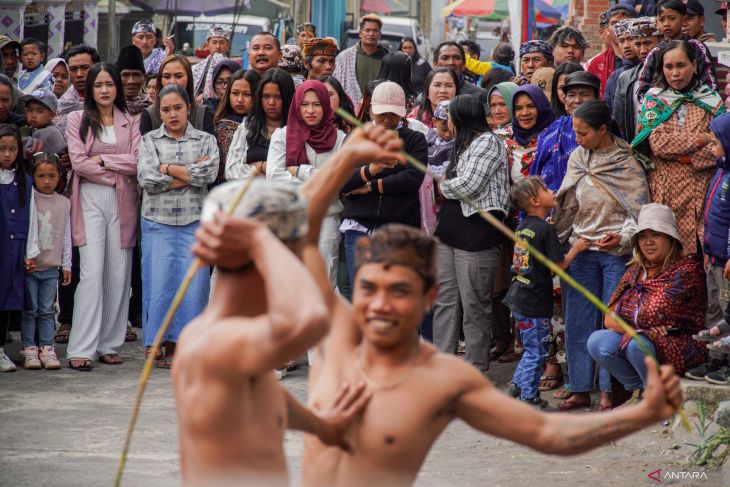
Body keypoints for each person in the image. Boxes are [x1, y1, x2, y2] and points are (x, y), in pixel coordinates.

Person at [185, 122, 686, 487]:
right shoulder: (339, 336)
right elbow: (300, 232)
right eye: (371, 290)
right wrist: (345, 157)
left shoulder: (444, 381)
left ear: (427, 296)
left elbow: (550, 435)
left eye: (399, 291)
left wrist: (640, 416)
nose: (381, 305)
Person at [179, 177, 369, 486]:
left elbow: (260, 395)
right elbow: (312, 317)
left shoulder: (233, 335)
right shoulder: (219, 342)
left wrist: (320, 426)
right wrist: (262, 239)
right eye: (294, 252)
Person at [553, 100, 650, 411]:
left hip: (615, 254)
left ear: (602, 130)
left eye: (583, 133)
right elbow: (568, 203)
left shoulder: (627, 162)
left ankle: (610, 391)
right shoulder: (578, 158)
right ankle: (580, 386)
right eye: (575, 133)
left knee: (611, 322)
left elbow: (639, 209)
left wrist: (621, 237)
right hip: (580, 249)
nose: (577, 139)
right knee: (578, 321)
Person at [589, 203, 708, 402]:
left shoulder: (686, 271)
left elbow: (652, 312)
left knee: (637, 344)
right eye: (643, 236)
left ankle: (656, 397)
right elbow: (608, 318)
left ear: (670, 239)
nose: (648, 242)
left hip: (684, 344)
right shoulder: (635, 271)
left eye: (656, 235)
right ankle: (640, 389)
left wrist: (637, 327)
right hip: (645, 340)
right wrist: (640, 329)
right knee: (598, 341)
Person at [137, 84, 218, 368]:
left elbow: (209, 173)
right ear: (159, 112)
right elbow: (147, 179)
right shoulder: (149, 140)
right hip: (156, 222)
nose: (172, 114)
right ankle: (157, 341)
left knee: (195, 287)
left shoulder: (206, 140)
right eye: (165, 109)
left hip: (195, 221)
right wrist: (188, 175)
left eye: (178, 108)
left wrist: (167, 168)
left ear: (188, 108)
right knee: (158, 284)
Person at [65, 63, 140, 371]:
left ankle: (109, 344)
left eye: (110, 84)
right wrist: (112, 172)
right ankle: (81, 347)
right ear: (90, 90)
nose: (105, 90)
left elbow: (138, 161)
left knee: (118, 274)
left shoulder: (131, 122)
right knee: (93, 272)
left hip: (123, 202)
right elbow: (79, 162)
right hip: (90, 199)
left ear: (117, 89)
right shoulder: (77, 119)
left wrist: (105, 159)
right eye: (99, 85)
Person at [431, 94, 509, 374]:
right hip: (451, 231)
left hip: (477, 234)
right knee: (445, 302)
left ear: (461, 116)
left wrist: (442, 186)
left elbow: (467, 185)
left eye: (449, 116)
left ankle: (474, 370)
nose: (446, 122)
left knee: (474, 305)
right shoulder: (463, 143)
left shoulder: (488, 142)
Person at [632, 40, 726, 254]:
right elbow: (658, 144)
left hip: (701, 190)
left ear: (694, 65)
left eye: (681, 65)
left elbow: (720, 147)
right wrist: (702, 138)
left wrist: (689, 157)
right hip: (665, 192)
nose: (675, 73)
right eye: (669, 67)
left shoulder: (711, 99)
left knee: (702, 256)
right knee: (668, 256)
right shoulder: (654, 101)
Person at [505, 177, 589, 406]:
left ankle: (518, 385)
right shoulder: (545, 230)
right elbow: (558, 266)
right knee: (538, 353)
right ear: (534, 200)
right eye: (544, 189)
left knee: (530, 349)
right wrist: (577, 249)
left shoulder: (525, 228)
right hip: (534, 304)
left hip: (519, 299)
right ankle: (529, 398)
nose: (551, 190)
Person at [339, 81, 426, 287]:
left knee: (397, 294)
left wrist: (370, 185)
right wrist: (371, 169)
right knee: (362, 293)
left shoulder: (415, 140)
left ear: (404, 112)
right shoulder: (356, 138)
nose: (387, 119)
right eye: (382, 113)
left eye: (393, 113)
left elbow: (412, 179)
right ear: (370, 111)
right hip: (359, 229)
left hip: (400, 229)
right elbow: (342, 180)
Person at [266, 80, 347, 286]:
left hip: (326, 221)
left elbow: (337, 182)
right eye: (304, 104)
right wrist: (319, 182)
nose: (310, 110)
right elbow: (275, 178)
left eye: (317, 104)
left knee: (322, 285)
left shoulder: (340, 140)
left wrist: (301, 171)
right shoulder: (283, 136)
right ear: (296, 106)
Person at [687, 114, 730, 383]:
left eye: (716, 142)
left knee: (728, 311)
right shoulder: (721, 169)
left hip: (727, 261)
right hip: (714, 257)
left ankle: (727, 365)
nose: (712, 147)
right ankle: (714, 361)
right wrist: (707, 252)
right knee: (714, 308)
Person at [20, 153, 70, 370]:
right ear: (33, 176)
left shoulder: (64, 203)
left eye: (52, 176)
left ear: (60, 176)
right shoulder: (28, 199)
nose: (47, 181)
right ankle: (30, 348)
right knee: (29, 309)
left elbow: (67, 236)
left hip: (51, 266)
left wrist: (67, 264)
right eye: (41, 176)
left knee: (48, 309)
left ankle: (48, 348)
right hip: (31, 266)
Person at [0, 123, 38, 372]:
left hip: (14, 247)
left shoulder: (25, 181)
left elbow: (33, 216)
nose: (6, 154)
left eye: (12, 149)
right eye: (2, 149)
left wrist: (31, 251)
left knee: (6, 300)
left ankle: (1, 349)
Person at [531, 70, 600, 193]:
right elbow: (535, 174)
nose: (577, 100)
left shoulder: (605, 130)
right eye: (571, 95)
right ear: (565, 102)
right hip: (552, 206)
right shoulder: (552, 132)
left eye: (584, 94)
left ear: (597, 99)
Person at [225, 68, 294, 180]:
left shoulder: (296, 131)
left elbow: (298, 173)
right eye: (266, 96)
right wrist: (262, 167)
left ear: (287, 97)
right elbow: (231, 171)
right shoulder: (247, 127)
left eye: (278, 97)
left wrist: (260, 168)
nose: (271, 102)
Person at [613, 17, 663, 141]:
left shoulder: (671, 75)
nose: (643, 50)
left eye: (647, 43)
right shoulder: (625, 78)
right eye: (637, 44)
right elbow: (618, 120)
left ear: (661, 41)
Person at [140, 54, 215, 136]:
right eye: (167, 76)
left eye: (178, 76)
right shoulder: (149, 114)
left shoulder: (203, 113)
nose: (172, 81)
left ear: (188, 78)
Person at [214, 69, 259, 182]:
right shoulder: (221, 126)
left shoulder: (263, 126)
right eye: (235, 93)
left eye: (247, 94)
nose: (240, 100)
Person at [333, 13, 388, 107]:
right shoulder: (344, 58)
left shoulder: (386, 59)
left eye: (375, 30)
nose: (371, 34)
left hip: (380, 111)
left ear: (380, 34)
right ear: (360, 33)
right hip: (350, 113)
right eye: (367, 30)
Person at [586, 4, 635, 98]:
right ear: (607, 29)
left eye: (626, 23)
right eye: (614, 24)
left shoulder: (645, 58)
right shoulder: (597, 63)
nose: (620, 28)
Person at [508, 85, 555, 182]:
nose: (525, 113)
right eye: (519, 108)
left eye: (531, 106)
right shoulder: (506, 140)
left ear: (541, 107)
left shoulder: (557, 136)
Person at [55, 45, 101, 135]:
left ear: (97, 68)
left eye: (84, 68)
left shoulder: (108, 99)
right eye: (73, 69)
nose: (79, 74)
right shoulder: (63, 105)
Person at [604, 19, 640, 114]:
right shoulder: (614, 76)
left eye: (630, 39)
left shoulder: (650, 70)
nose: (626, 46)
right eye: (621, 41)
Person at [20, 89, 65, 160]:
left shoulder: (50, 133)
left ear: (51, 115)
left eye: (39, 111)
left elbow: (30, 154)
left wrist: (22, 136)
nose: (33, 115)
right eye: (30, 110)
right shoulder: (35, 128)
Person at [192, 26, 231, 102]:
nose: (218, 46)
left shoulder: (232, 67)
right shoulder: (196, 68)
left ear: (227, 46)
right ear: (207, 45)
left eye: (221, 42)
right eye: (214, 42)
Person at [116, 45, 152, 116]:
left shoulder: (153, 109)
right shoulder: (107, 107)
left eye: (136, 75)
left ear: (144, 78)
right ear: (117, 77)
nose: (131, 81)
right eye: (125, 75)